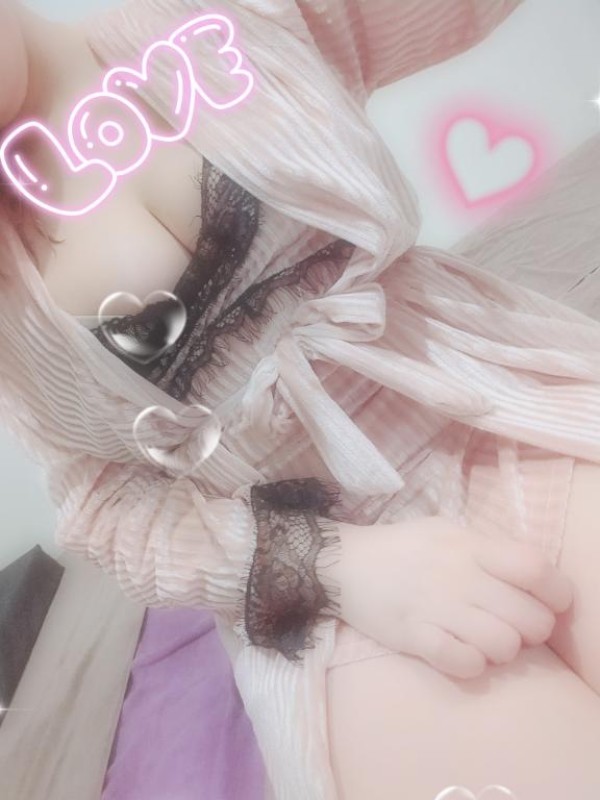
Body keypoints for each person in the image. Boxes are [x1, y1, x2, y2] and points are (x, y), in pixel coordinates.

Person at [1, 0, 600, 797]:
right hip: (316, 565)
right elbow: (105, 508)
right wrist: (337, 566)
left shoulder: (229, 21)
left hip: (485, 404)